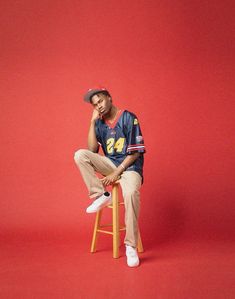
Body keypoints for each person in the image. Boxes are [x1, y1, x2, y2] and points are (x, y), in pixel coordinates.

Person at [74, 87, 146, 267]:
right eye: (95, 105)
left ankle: (130, 246)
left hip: (130, 167)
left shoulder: (129, 117)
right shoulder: (99, 122)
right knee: (80, 155)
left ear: (110, 98)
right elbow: (91, 151)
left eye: (100, 101)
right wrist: (91, 122)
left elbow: (136, 153)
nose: (98, 106)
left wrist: (116, 173)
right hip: (110, 164)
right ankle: (101, 196)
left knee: (130, 194)